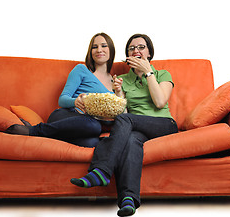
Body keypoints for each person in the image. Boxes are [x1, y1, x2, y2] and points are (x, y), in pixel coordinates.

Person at [70, 34, 179, 216]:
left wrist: (148, 72)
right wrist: (119, 93)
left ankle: (102, 171)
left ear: (149, 53)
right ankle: (128, 199)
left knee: (125, 124)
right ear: (127, 55)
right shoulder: (122, 79)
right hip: (136, 128)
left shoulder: (162, 74)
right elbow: (122, 115)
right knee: (130, 141)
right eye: (131, 48)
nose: (136, 51)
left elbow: (160, 102)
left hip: (163, 125)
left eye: (141, 47)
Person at [6, 33, 116, 147]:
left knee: (92, 143)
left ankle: (50, 135)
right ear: (90, 51)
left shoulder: (115, 82)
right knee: (94, 126)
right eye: (94, 47)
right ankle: (34, 131)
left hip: (86, 127)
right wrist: (75, 101)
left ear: (111, 50)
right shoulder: (81, 69)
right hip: (66, 116)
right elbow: (62, 99)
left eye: (104, 46)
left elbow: (111, 118)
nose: (99, 50)